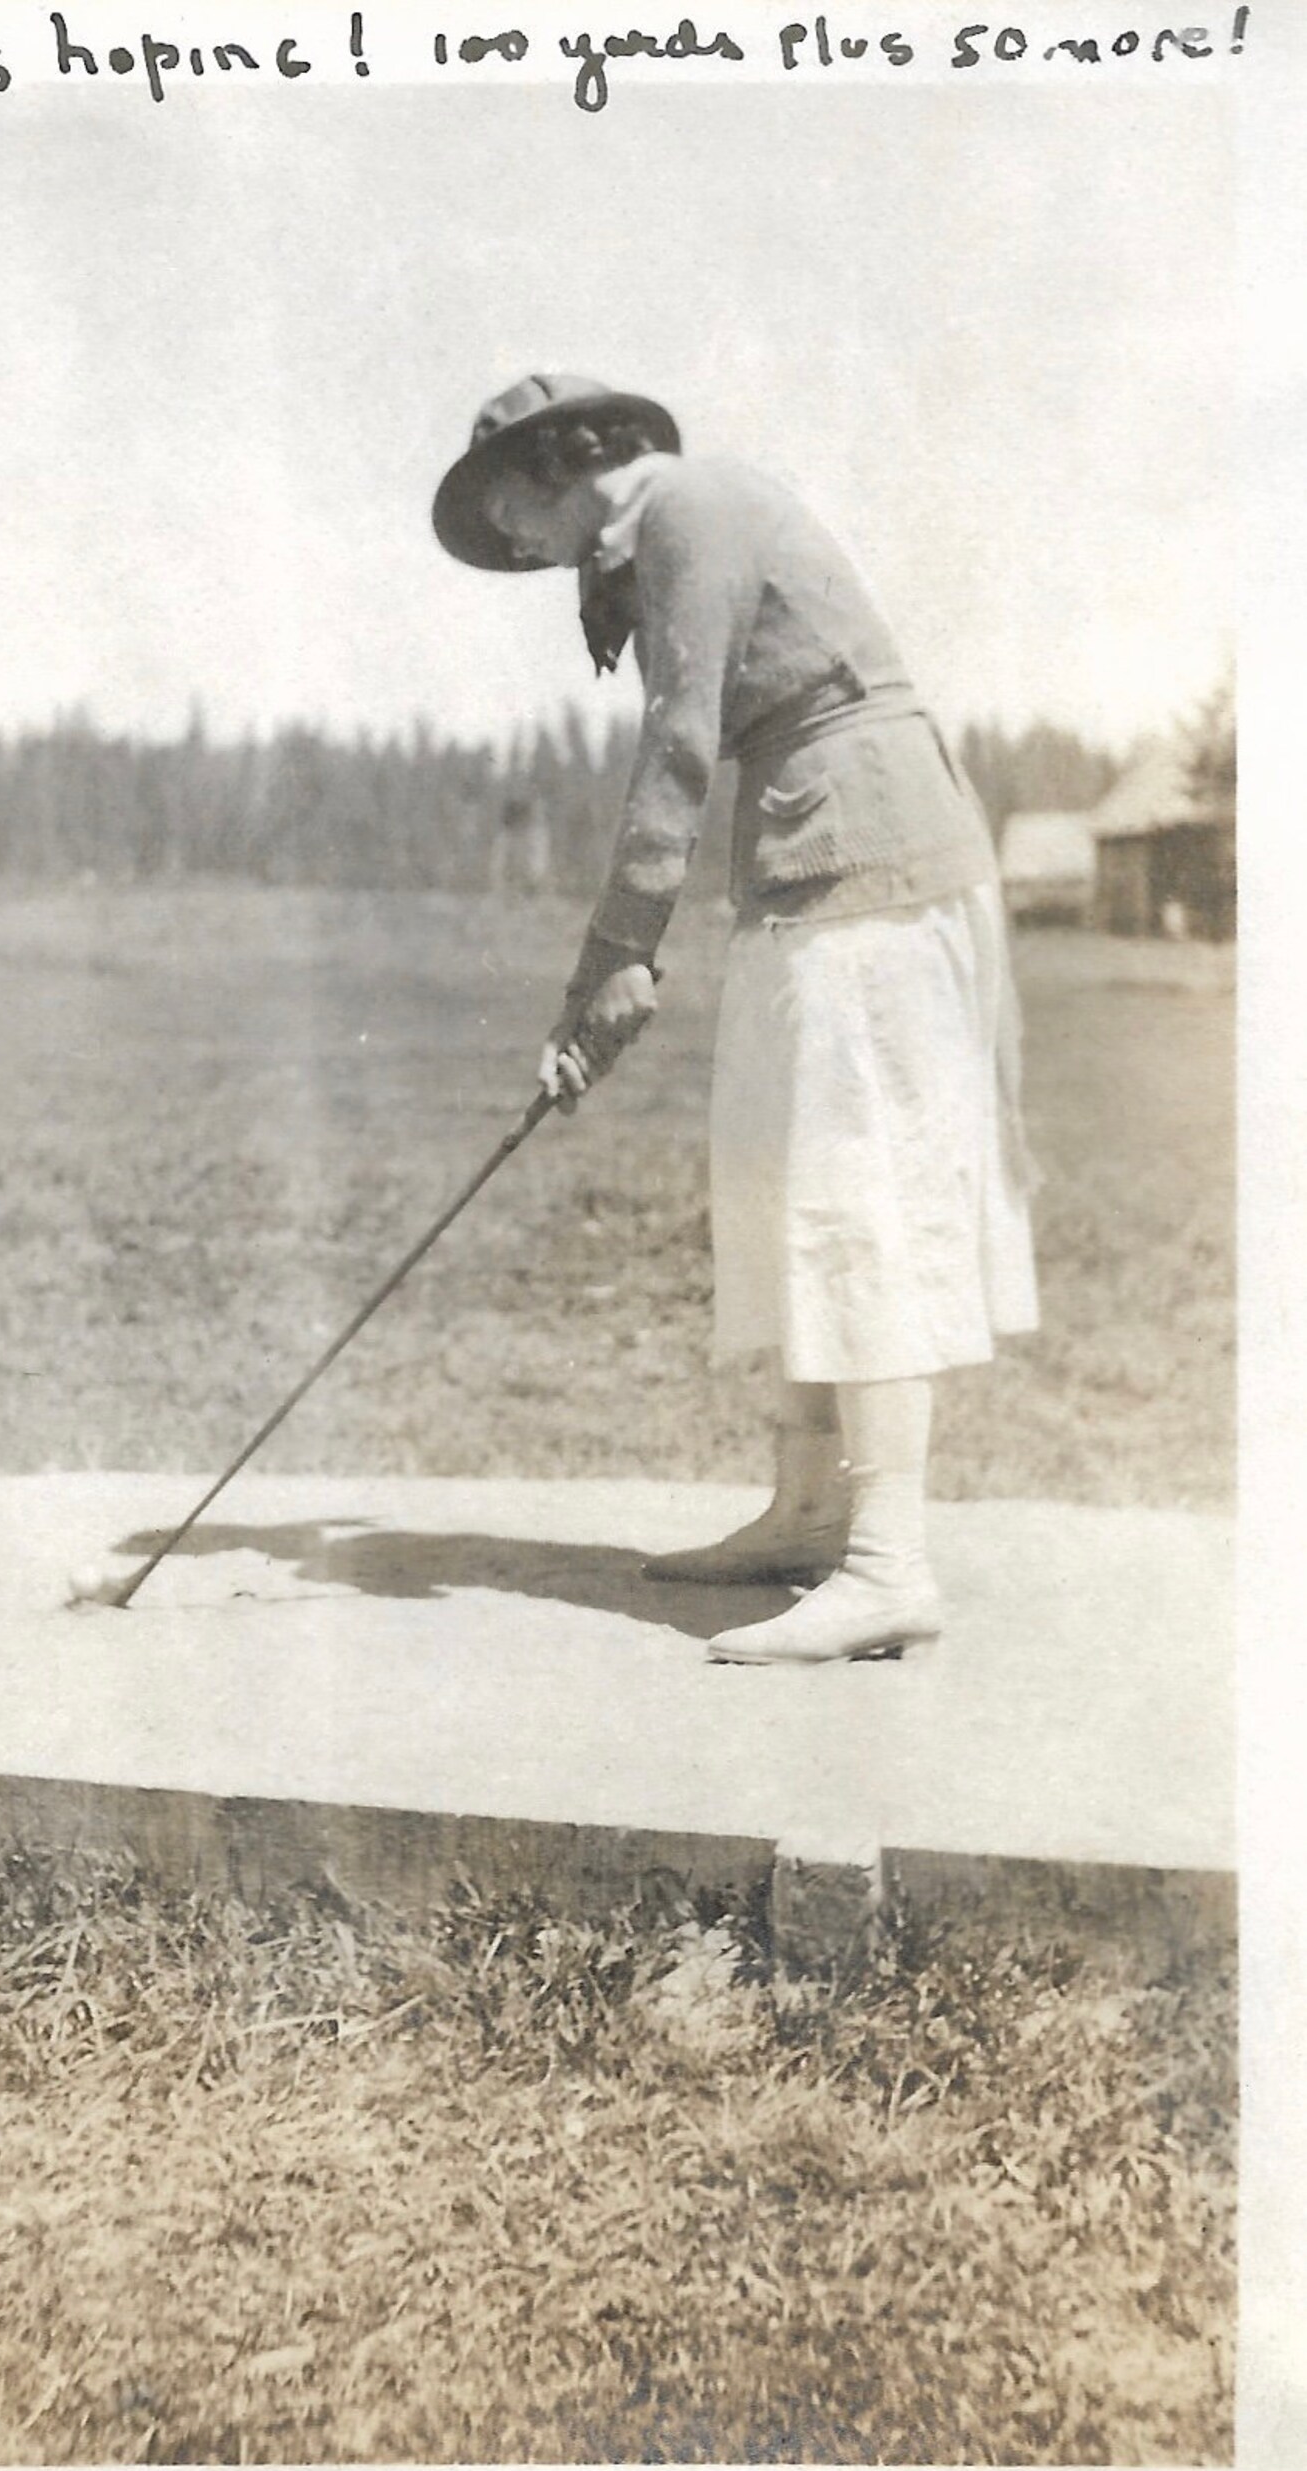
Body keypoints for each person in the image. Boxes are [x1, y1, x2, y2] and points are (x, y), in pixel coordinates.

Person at [432, 374, 1039, 1664]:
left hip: (867, 860)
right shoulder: (667, 526)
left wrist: (614, 960)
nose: (521, 552)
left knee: (854, 1193)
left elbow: (679, 741)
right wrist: (619, 967)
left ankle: (887, 1562)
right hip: (807, 862)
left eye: (510, 519)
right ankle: (813, 1510)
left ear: (559, 465)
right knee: (792, 1190)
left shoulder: (689, 506)